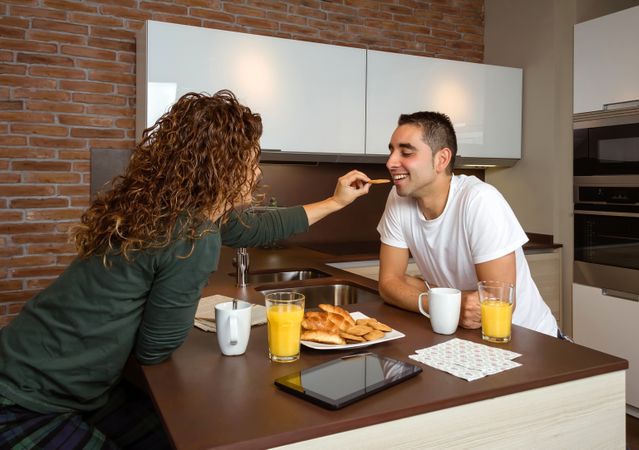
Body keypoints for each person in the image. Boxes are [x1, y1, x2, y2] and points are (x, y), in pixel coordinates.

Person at [0, 90, 372, 448]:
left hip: (31, 365)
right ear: (222, 167)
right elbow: (155, 348)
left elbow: (258, 227)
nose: (257, 174)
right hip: (30, 400)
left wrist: (335, 202)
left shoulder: (161, 207)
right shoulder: (193, 234)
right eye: (251, 161)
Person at [376, 111, 558, 338]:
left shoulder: (480, 201)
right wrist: (443, 304)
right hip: (468, 340)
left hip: (530, 341)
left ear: (441, 159)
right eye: (391, 151)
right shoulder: (398, 197)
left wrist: (426, 293)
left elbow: (494, 304)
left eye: (406, 152)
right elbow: (389, 283)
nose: (391, 162)